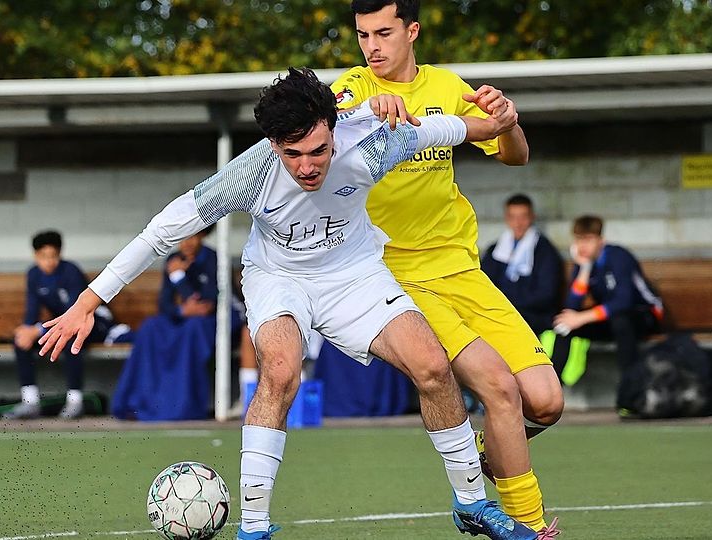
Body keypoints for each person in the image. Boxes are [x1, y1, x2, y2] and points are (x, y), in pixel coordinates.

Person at [38, 68, 537, 539]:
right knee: (280, 371)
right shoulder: (250, 173)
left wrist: (499, 121)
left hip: (353, 274)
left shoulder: (373, 140)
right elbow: (161, 232)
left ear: (333, 128)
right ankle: (254, 526)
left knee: (432, 366)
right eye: (292, 154)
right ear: (274, 144)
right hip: (277, 277)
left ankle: (470, 503)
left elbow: (447, 129)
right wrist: (88, 300)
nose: (307, 166)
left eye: (318, 151)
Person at [333, 1, 562, 535]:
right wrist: (366, 111)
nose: (372, 46)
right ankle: (526, 527)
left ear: (411, 31)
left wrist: (506, 120)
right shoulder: (356, 87)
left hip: (462, 269)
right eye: (363, 35)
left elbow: (514, 155)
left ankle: (492, 454)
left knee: (546, 403)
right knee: (500, 390)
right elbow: (331, 118)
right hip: (398, 276)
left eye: (384, 33)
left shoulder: (445, 85)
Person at [5, 230, 128, 420]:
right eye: (44, 256)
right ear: (35, 256)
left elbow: (74, 314)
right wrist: (27, 329)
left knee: (71, 340)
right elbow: (32, 311)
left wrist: (37, 330)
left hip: (94, 324)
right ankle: (30, 403)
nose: (49, 261)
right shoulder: (33, 275)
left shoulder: (71, 271)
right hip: (64, 325)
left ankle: (75, 402)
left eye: (54, 256)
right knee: (21, 341)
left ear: (60, 254)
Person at [111, 227, 227, 420]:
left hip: (208, 322)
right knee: (150, 327)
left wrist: (179, 278)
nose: (187, 243)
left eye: (192, 237)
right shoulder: (173, 260)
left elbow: (208, 302)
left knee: (192, 330)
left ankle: (182, 406)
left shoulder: (213, 259)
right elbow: (164, 304)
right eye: (183, 238)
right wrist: (181, 310)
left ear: (202, 236)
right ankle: (139, 402)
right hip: (181, 318)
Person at [551, 215, 663, 415]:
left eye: (588, 239)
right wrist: (584, 269)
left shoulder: (619, 257)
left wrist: (581, 318)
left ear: (600, 240)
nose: (582, 245)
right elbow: (572, 306)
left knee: (622, 322)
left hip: (644, 315)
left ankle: (629, 398)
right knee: (564, 324)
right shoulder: (583, 262)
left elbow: (623, 301)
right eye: (578, 240)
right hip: (612, 319)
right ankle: (548, 394)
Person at [481, 194, 563, 336]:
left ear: (532, 217)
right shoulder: (495, 249)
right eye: (513, 217)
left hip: (531, 314)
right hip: (498, 311)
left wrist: (509, 304)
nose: (518, 223)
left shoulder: (544, 250)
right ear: (506, 219)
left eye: (523, 217)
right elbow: (483, 284)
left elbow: (546, 295)